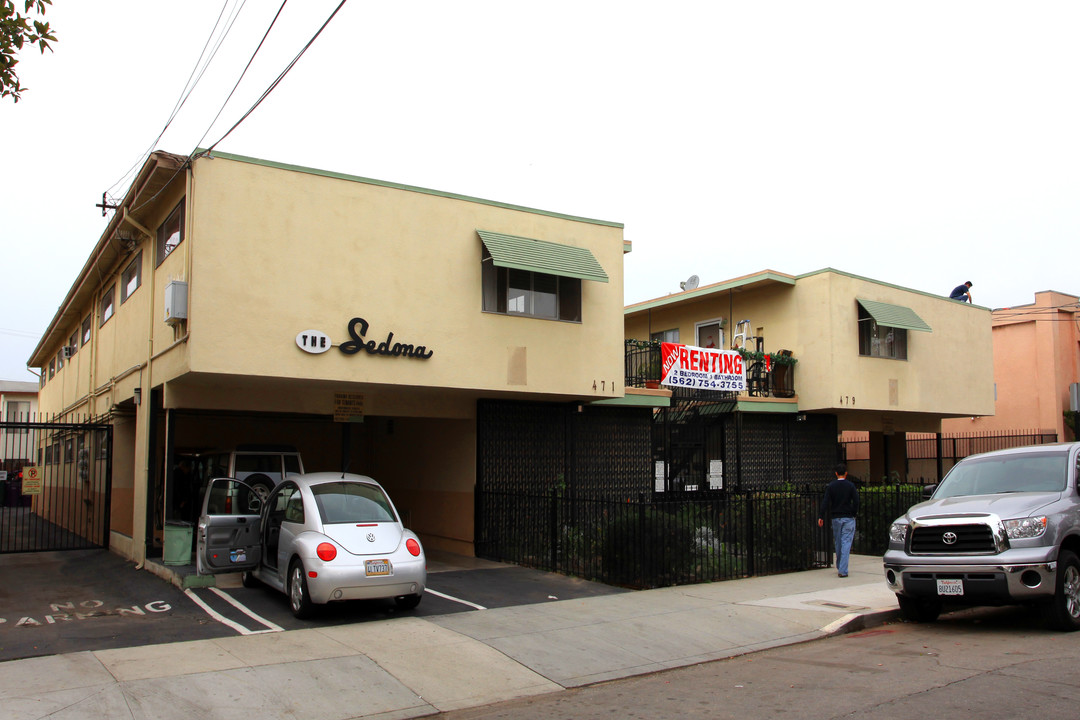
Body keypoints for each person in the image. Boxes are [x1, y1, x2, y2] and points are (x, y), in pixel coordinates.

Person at [818, 462, 859, 577]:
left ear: (836, 473)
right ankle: (843, 569)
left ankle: (840, 565)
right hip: (848, 517)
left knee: (838, 542)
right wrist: (854, 513)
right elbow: (856, 501)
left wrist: (821, 515)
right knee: (846, 542)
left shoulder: (831, 486)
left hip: (836, 517)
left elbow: (826, 502)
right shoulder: (850, 486)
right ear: (846, 473)